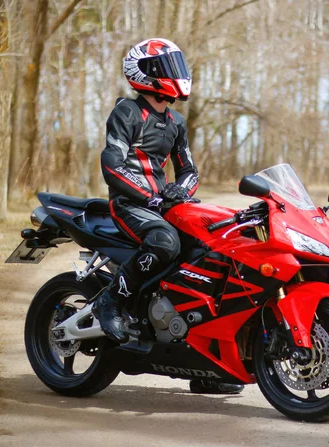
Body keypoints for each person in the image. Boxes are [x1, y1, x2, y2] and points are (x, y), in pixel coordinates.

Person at [96, 38, 243, 395]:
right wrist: (152, 197)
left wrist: (181, 192)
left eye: (177, 66)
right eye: (168, 67)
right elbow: (112, 165)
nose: (177, 74)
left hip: (163, 204)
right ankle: (110, 300)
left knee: (213, 246)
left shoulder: (175, 122)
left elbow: (189, 171)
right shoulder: (126, 113)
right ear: (146, 73)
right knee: (165, 242)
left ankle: (204, 364)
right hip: (129, 205)